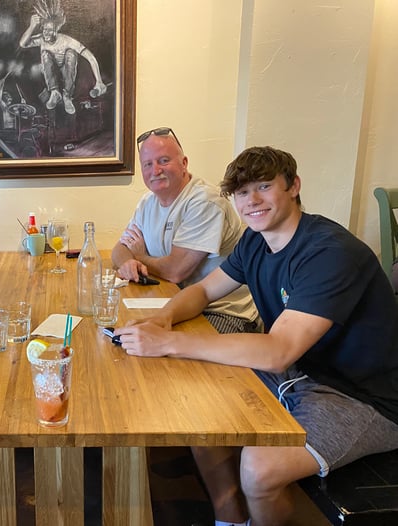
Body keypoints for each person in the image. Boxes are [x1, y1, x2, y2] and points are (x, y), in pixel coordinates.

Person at [115, 146, 398, 526]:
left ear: (293, 186)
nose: (252, 201)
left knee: (259, 468)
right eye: (242, 192)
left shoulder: (328, 252)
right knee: (200, 410)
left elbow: (278, 351)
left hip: (362, 397)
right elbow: (201, 292)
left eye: (264, 186)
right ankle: (231, 519)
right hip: (302, 374)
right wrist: (162, 319)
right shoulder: (255, 242)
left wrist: (169, 342)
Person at [113, 127, 259, 334]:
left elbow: (175, 271)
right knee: (124, 336)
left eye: (163, 161)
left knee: (172, 361)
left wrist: (140, 256)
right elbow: (118, 249)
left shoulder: (205, 202)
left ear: (184, 163)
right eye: (148, 164)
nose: (155, 171)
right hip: (174, 303)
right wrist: (127, 262)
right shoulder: (147, 202)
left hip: (221, 312)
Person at [19, 6, 107, 115]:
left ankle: (67, 96)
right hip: (51, 72)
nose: (46, 32)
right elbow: (23, 44)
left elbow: (90, 57)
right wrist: (32, 26)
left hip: (67, 70)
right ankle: (55, 93)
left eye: (50, 30)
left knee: (71, 53)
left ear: (56, 30)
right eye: (45, 29)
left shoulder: (67, 40)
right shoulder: (42, 39)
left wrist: (99, 81)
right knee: (45, 54)